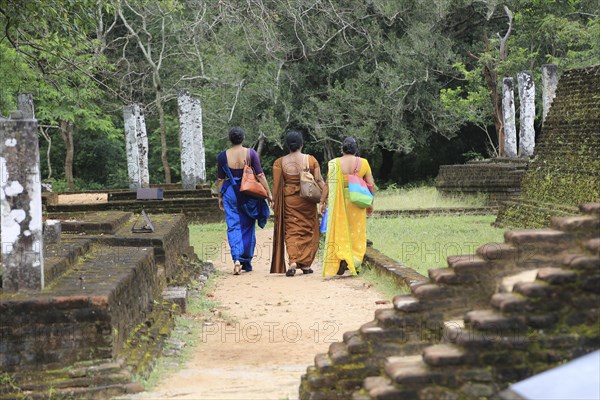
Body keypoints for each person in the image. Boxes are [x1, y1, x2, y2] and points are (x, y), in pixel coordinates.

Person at [217, 127, 272, 275]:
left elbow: (221, 179)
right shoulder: (250, 153)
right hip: (249, 191)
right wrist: (268, 193)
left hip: (230, 193)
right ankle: (244, 260)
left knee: (233, 225)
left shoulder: (222, 156)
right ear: (243, 138)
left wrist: (220, 197)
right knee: (248, 226)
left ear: (230, 139)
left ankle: (236, 259)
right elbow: (260, 175)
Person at [271, 131, 326, 277]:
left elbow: (276, 187)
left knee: (292, 230)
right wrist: (326, 195)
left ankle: (293, 261)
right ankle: (306, 264)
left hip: (290, 201)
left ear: (287, 145)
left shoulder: (279, 162)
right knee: (309, 229)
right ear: (302, 144)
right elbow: (319, 180)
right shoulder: (311, 160)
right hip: (307, 200)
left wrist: (274, 202)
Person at [319, 137, 375, 276]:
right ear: (356, 149)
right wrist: (371, 203)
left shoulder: (335, 163)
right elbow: (370, 184)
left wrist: (322, 201)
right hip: (357, 200)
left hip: (340, 202)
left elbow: (328, 184)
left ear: (342, 149)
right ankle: (354, 261)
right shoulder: (364, 163)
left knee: (340, 230)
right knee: (356, 232)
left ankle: (341, 258)